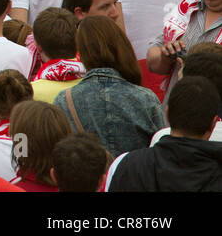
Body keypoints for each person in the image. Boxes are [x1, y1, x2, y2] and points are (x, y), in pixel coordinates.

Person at [57, 15, 166, 156]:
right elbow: (163, 153)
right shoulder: (145, 99)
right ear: (120, 46)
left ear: (82, 53)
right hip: (135, 177)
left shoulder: (64, 101)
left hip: (88, 177)